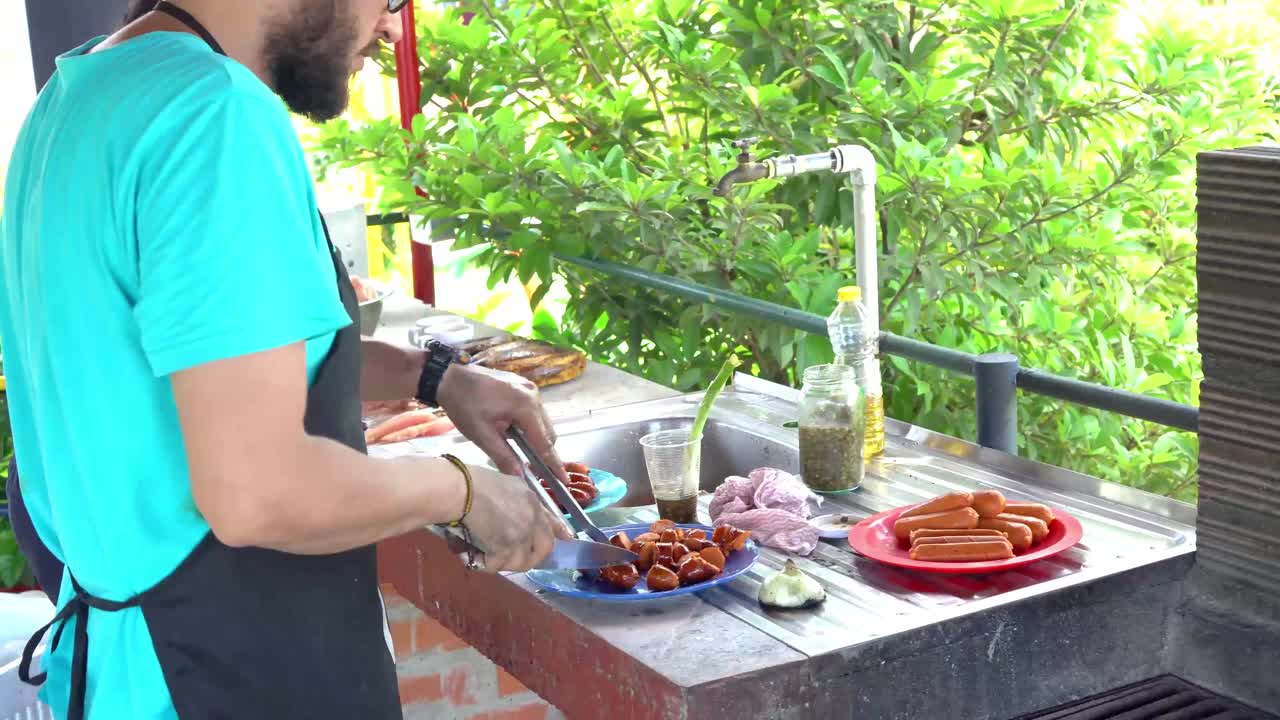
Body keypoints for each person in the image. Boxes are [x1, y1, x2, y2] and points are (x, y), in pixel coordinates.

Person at [0, 1, 573, 718]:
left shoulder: (77, 97)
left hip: (123, 676)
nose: (397, 26)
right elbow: (258, 491)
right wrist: (461, 489)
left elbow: (217, 365)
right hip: (217, 677)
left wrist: (436, 379)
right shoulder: (214, 118)